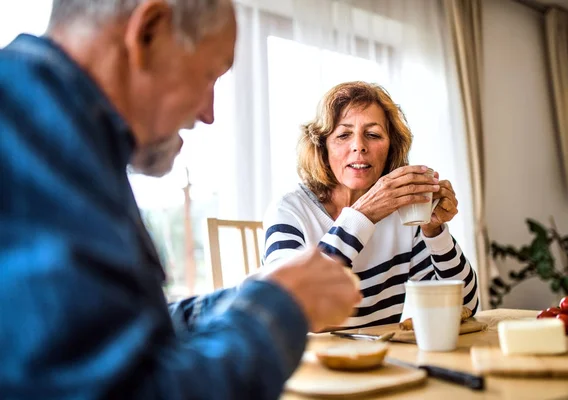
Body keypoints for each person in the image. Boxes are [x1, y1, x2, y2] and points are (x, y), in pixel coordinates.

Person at [0, 1, 362, 399]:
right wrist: (280, 307)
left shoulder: (52, 126)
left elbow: (109, 338)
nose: (208, 114)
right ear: (148, 32)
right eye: (210, 75)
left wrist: (244, 298)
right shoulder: (33, 140)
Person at [263, 81, 479, 329]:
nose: (359, 146)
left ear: (391, 148)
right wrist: (362, 216)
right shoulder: (290, 209)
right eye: (343, 135)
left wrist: (435, 232)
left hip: (383, 360)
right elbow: (284, 307)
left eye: (373, 134)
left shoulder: (404, 215)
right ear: (322, 147)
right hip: (313, 362)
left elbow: (466, 306)